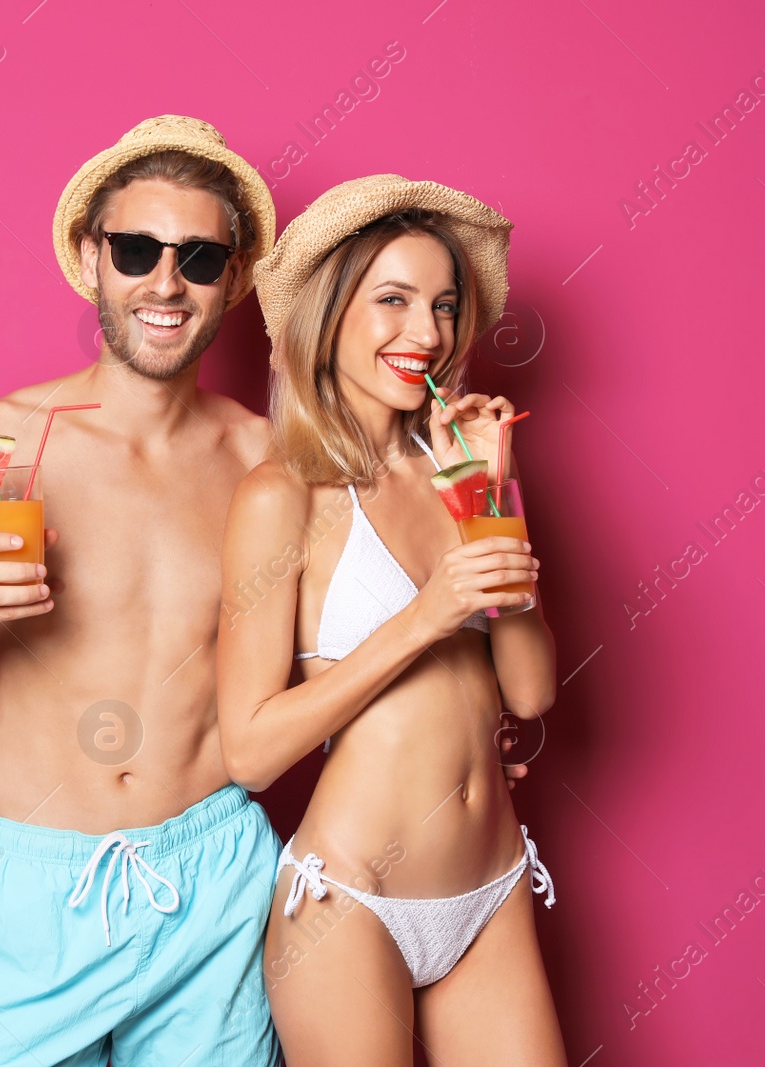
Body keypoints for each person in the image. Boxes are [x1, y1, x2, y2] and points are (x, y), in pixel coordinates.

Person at [0, 115, 285, 1067]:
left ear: (233, 276)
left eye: (197, 257)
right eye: (137, 248)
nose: (164, 282)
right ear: (92, 257)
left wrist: (453, 730)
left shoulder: (265, 462)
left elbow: (308, 665)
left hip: (215, 879)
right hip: (35, 890)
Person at [217, 175, 566, 1065]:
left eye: (444, 306)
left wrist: (490, 500)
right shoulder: (281, 496)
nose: (427, 334)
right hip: (349, 902)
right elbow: (251, 751)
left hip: (489, 889)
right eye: (395, 301)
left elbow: (528, 691)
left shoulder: (463, 473)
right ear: (330, 315)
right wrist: (427, 616)